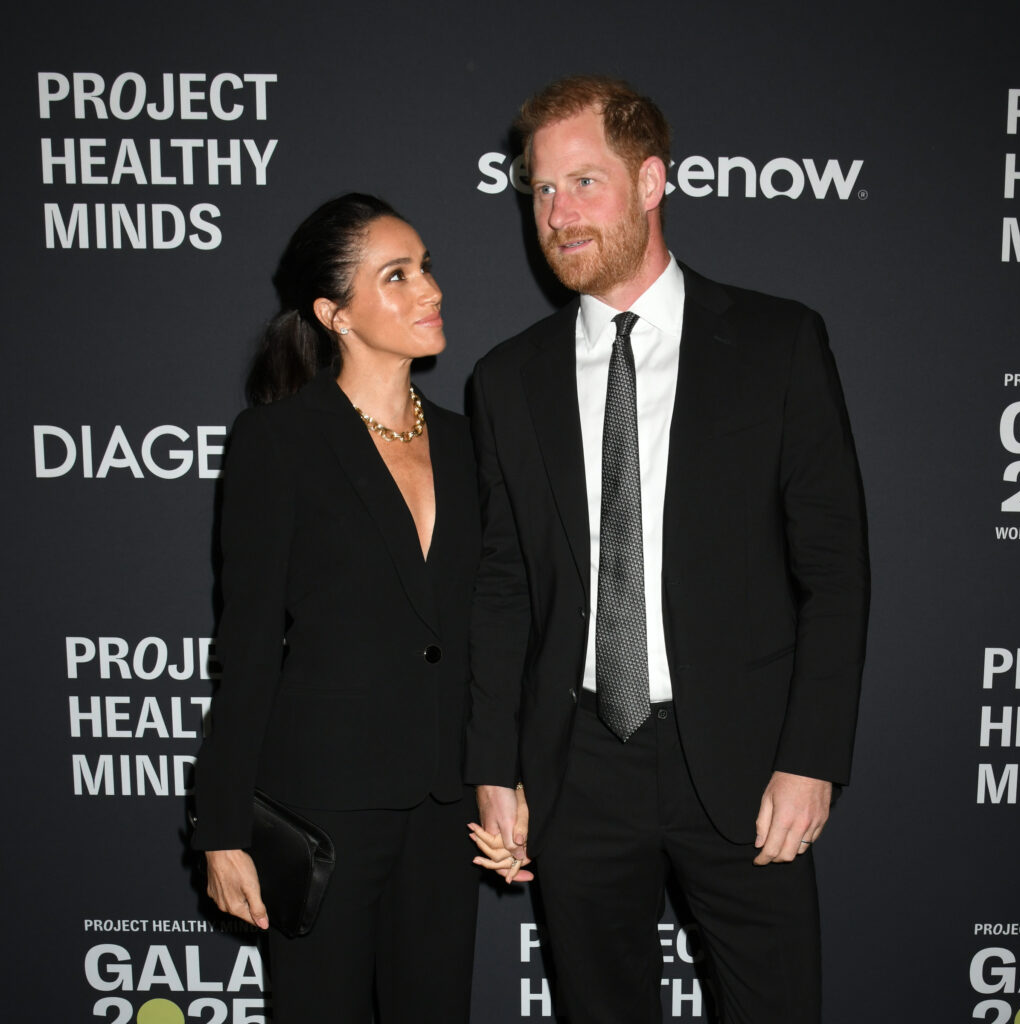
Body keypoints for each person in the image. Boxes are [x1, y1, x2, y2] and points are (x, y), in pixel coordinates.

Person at [466, 77, 869, 1023]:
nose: (558, 214)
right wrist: (495, 767)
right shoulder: (507, 378)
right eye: (541, 191)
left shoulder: (778, 343)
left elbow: (835, 569)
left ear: (652, 182)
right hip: (576, 765)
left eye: (584, 182)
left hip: (741, 757)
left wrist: (811, 758)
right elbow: (503, 588)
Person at [191, 193, 480, 1022]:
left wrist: (503, 775)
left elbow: (496, 627)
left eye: (426, 266)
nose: (428, 288)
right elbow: (246, 643)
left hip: (444, 802)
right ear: (335, 313)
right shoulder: (278, 441)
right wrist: (221, 828)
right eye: (397, 274)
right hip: (323, 805)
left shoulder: (471, 442)